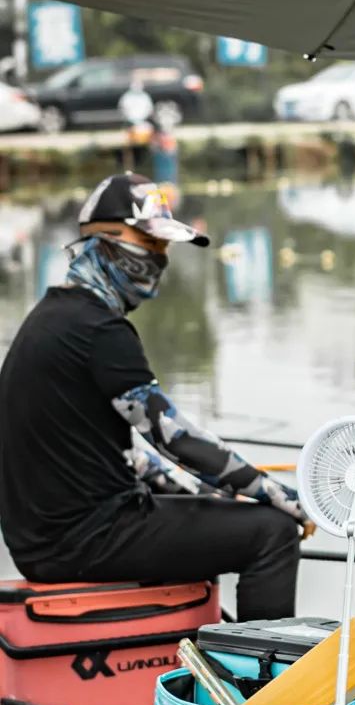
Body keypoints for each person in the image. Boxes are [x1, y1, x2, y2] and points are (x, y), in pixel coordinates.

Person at [0, 174, 304, 620]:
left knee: (218, 514)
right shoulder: (99, 330)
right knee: (273, 532)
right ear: (105, 240)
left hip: (52, 538)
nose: (159, 259)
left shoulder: (56, 317)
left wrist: (219, 495)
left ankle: (208, 646)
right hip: (83, 539)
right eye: (150, 243)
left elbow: (135, 458)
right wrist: (282, 498)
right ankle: (264, 680)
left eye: (164, 248)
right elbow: (175, 438)